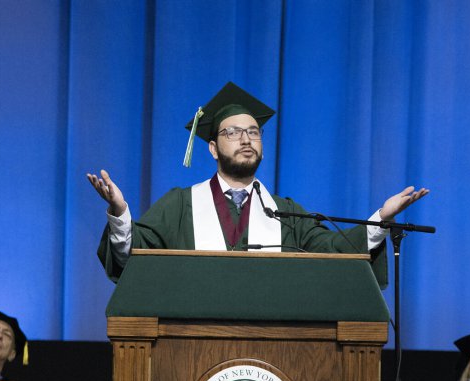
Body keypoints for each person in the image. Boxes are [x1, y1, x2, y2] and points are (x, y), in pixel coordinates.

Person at [87, 81, 429, 282]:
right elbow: (133, 258)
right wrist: (120, 213)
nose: (246, 139)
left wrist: (381, 219)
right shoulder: (180, 205)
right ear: (212, 148)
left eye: (254, 132)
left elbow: (336, 252)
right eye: (232, 132)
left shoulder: (285, 213)